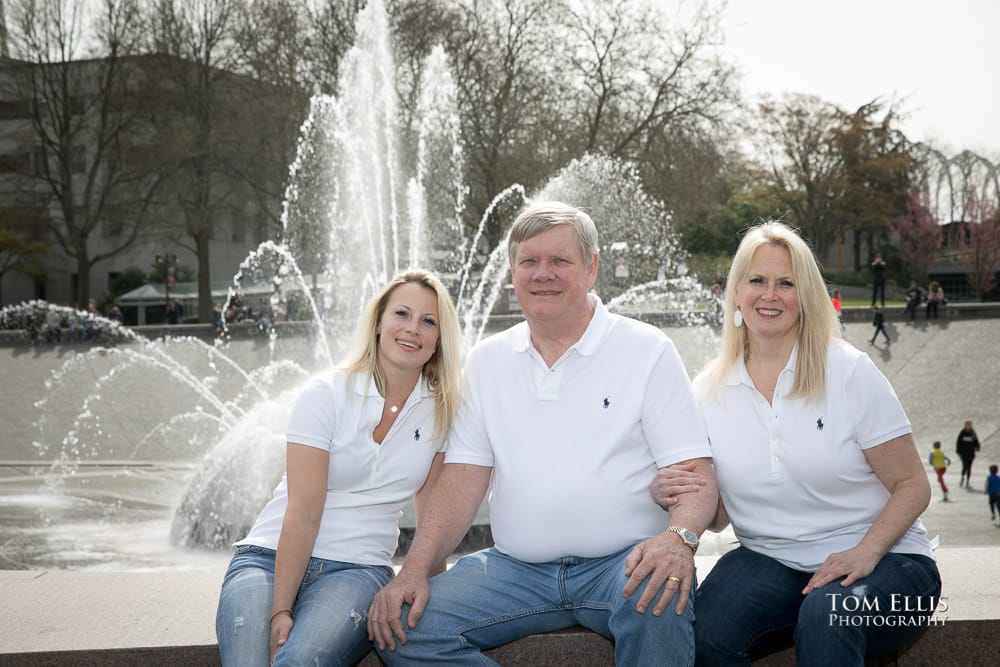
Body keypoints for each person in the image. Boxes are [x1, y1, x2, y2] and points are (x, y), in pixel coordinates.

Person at [368, 202, 717, 666]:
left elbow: (694, 472)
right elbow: (463, 479)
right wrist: (412, 570)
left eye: (559, 261)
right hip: (514, 571)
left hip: (620, 566)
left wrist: (678, 539)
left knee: (659, 592)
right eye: (529, 262)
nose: (542, 274)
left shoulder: (647, 350)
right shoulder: (488, 361)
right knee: (403, 629)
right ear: (512, 271)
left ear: (591, 268)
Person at [651, 221, 940, 665]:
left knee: (827, 615)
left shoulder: (848, 372)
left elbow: (913, 486)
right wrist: (671, 493)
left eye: (786, 283)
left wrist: (865, 552)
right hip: (771, 560)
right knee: (703, 631)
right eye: (758, 281)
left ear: (804, 297)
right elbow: (719, 517)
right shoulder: (707, 391)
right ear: (736, 293)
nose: (770, 295)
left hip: (888, 560)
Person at [215, 270, 463, 667]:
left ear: (438, 340)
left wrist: (425, 590)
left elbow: (432, 512)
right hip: (268, 555)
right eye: (401, 313)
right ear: (379, 322)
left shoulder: (442, 413)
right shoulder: (326, 394)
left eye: (428, 321)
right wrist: (281, 609)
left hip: (358, 569)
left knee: (296, 662)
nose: (412, 329)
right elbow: (304, 509)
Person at [956, 420, 981, 488]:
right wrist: (958, 452)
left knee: (969, 468)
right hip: (964, 454)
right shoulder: (962, 433)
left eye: (969, 425)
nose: (968, 426)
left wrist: (977, 447)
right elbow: (958, 443)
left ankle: (967, 481)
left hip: (971, 454)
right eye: (967, 425)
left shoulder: (973, 433)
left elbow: (976, 442)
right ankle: (962, 478)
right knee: (964, 467)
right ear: (965, 425)